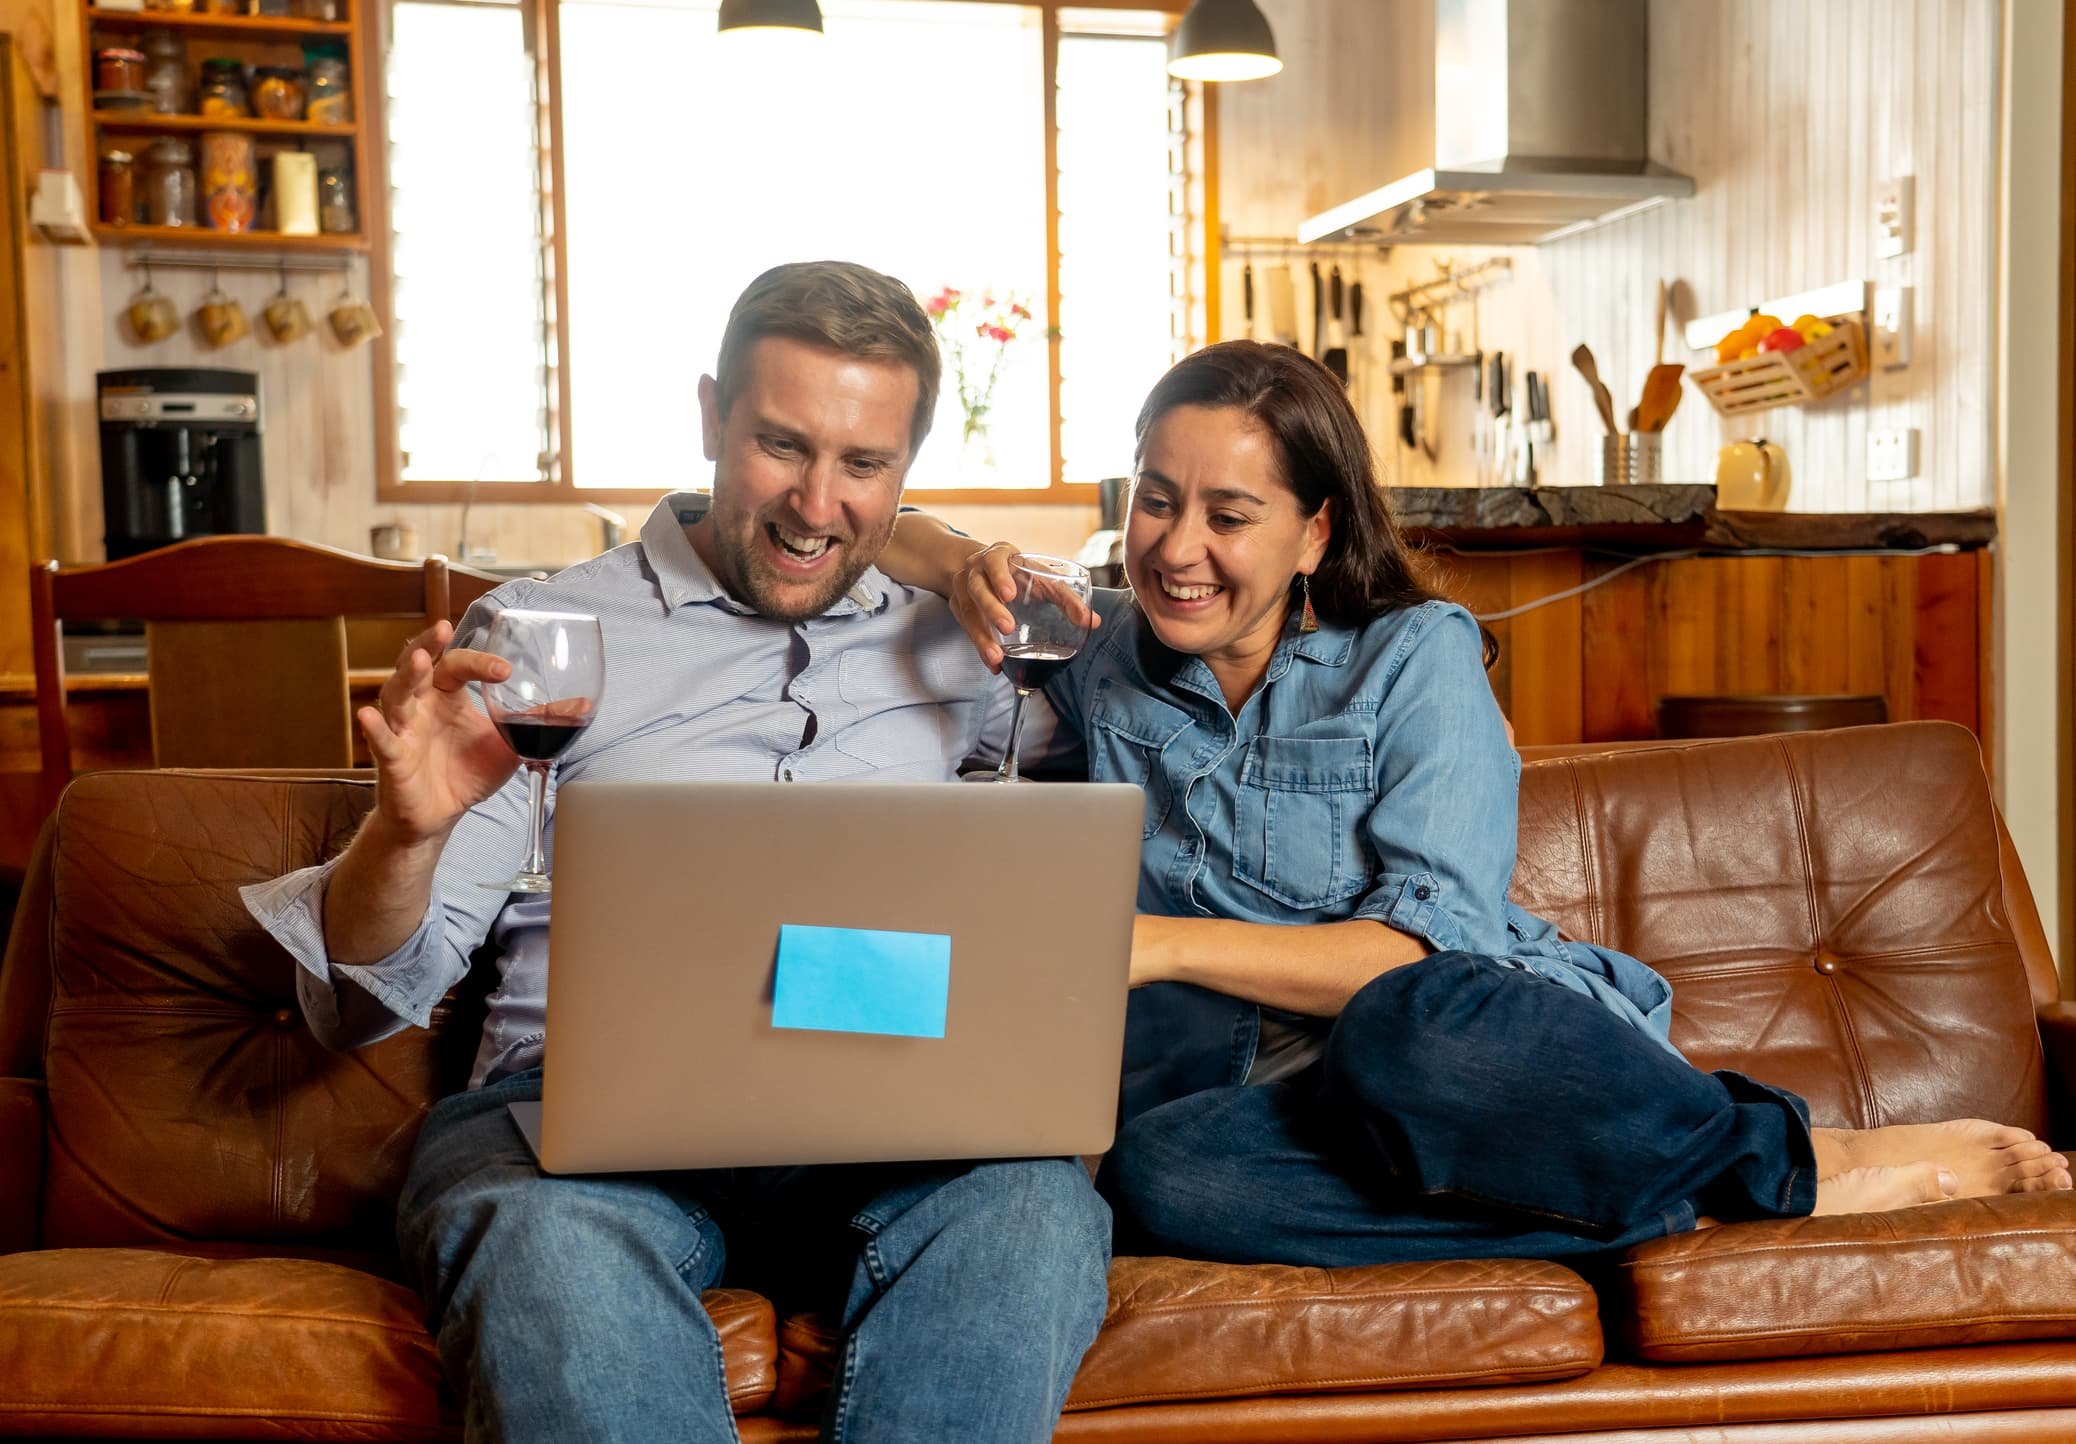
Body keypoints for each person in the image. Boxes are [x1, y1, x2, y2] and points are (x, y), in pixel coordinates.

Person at [880, 338, 2071, 1269]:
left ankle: (1776, 1154)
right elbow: (868, 526)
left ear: (1314, 533)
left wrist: (1145, 946)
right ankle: (1682, 1202)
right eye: (1154, 499)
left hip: (1471, 1060)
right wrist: (957, 557)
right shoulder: (1102, 655)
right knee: (1160, 1174)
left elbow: (1421, 947)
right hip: (1273, 1105)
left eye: (1229, 515)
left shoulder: (1413, 655)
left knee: (1409, 1023)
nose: (1177, 546)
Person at [240, 261, 1110, 1444]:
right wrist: (406, 834)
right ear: (710, 417)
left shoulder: (972, 655)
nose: (815, 503)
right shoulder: (543, 634)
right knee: (538, 1238)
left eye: (864, 465)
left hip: (897, 1121)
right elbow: (357, 1006)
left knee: (1037, 1208)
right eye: (780, 445)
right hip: (571, 1127)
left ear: (906, 476)